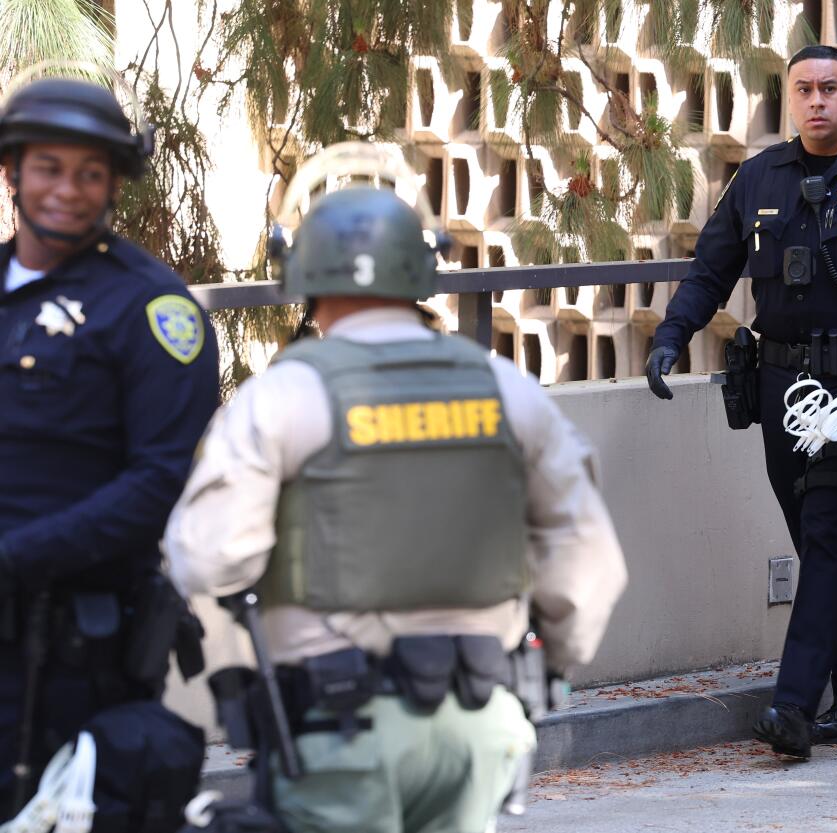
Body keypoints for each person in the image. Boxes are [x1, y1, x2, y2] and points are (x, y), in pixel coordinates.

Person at [163, 170, 628, 833]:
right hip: (482, 721)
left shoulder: (283, 397)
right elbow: (587, 563)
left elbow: (208, 558)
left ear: (305, 281)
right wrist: (547, 664)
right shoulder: (507, 388)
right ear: (420, 273)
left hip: (337, 728)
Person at [645, 45, 837, 759]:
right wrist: (671, 336)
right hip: (781, 392)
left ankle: (793, 705)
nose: (815, 101)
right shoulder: (757, 177)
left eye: (829, 88)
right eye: (803, 89)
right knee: (821, 545)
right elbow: (710, 269)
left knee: (831, 534)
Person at [0, 74, 218, 825]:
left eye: (91, 173)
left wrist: (15, 557)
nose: (69, 189)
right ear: (13, 172)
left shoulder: (150, 306)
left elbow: (158, 480)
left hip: (68, 652)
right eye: (50, 168)